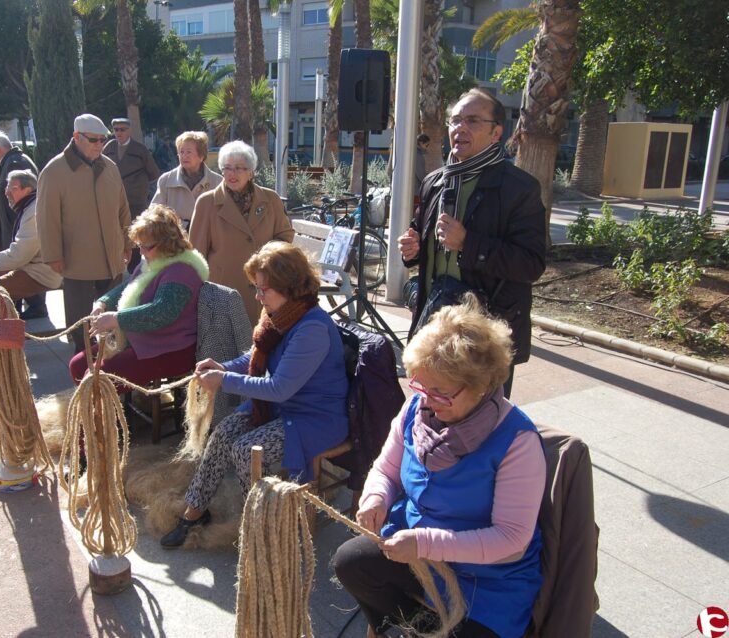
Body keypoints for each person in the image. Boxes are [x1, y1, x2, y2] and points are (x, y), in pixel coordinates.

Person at [331, 295, 545, 638]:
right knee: (351, 564)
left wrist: (425, 543)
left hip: (487, 579)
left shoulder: (517, 441)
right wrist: (375, 498)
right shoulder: (417, 409)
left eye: (440, 392)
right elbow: (385, 470)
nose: (426, 400)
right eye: (420, 385)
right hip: (416, 549)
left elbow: (511, 539)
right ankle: (425, 628)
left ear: (480, 385)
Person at [159, 242, 349, 548]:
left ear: (290, 287)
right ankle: (195, 511)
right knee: (222, 435)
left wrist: (223, 379)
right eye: (256, 288)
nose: (258, 297)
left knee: (246, 451)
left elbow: (279, 387)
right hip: (284, 408)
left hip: (314, 418)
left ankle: (262, 529)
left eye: (264, 290)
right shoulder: (280, 315)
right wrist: (223, 367)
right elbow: (254, 358)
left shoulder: (312, 328)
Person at [398, 88, 546, 397]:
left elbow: (531, 263)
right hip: (436, 326)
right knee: (430, 409)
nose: (459, 128)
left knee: (481, 423)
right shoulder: (435, 181)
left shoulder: (519, 188)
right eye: (455, 120)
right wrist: (412, 249)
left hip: (484, 337)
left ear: (496, 133)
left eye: (473, 120)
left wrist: (468, 243)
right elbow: (421, 236)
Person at [69, 204, 209, 385]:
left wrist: (117, 319)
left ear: (166, 242)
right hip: (145, 341)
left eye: (147, 247)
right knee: (77, 365)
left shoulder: (181, 271)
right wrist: (102, 303)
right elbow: (131, 285)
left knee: (96, 377)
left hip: (170, 348)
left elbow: (162, 313)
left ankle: (106, 412)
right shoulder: (157, 258)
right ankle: (103, 410)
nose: (141, 252)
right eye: (139, 246)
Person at [36, 113, 132, 354]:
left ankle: (114, 364)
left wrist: (128, 242)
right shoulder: (54, 171)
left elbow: (123, 209)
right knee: (80, 321)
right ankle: (84, 364)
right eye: (94, 140)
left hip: (112, 256)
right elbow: (47, 218)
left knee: (113, 318)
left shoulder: (110, 167)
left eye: (103, 140)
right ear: (76, 137)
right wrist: (53, 255)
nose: (100, 145)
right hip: (77, 260)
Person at [189, 140, 294, 323]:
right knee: (227, 345)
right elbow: (196, 252)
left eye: (239, 168)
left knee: (262, 340)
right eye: (227, 168)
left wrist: (268, 260)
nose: (232, 173)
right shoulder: (207, 202)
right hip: (222, 290)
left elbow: (285, 236)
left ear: (251, 171)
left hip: (263, 286)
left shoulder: (270, 199)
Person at [0, 170, 63, 370]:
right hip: (33, 265)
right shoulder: (29, 206)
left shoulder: (34, 211)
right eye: (6, 188)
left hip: (45, 271)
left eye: (12, 189)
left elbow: (20, 254)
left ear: (27, 189)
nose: (6, 193)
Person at [0, 132, 43, 318]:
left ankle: (34, 308)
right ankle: (20, 309)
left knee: (20, 267)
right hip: (17, 227)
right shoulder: (14, 160)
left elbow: (22, 199)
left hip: (22, 228)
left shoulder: (15, 163)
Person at [103, 117, 160, 271]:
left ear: (130, 131)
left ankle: (134, 268)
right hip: (113, 201)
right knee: (115, 233)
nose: (119, 133)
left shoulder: (139, 150)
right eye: (116, 130)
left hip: (135, 201)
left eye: (122, 129)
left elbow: (153, 173)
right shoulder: (108, 148)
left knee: (135, 234)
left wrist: (139, 186)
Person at [151, 131, 222, 229]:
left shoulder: (218, 182)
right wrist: (181, 225)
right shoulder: (166, 180)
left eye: (189, 152)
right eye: (181, 152)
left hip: (208, 239)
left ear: (201, 156)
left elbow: (223, 216)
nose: (184, 156)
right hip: (175, 239)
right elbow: (155, 213)